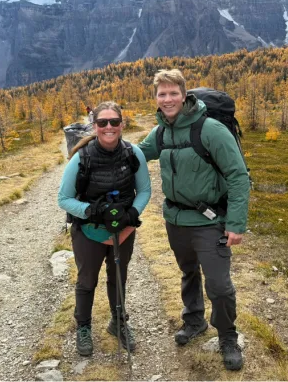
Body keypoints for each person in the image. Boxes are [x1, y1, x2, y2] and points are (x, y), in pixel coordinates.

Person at [138, 69, 250, 371]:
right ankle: (195, 321)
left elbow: (238, 175)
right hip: (175, 219)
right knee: (188, 272)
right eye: (162, 94)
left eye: (173, 93)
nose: (167, 99)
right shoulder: (160, 131)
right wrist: (101, 146)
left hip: (209, 220)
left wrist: (236, 223)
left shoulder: (210, 129)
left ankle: (227, 337)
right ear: (156, 98)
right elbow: (138, 154)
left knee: (219, 284)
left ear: (184, 94)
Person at [58, 101, 151, 356]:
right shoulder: (82, 157)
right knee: (87, 280)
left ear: (122, 124)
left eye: (114, 122)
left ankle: (118, 323)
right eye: (102, 122)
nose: (109, 127)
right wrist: (93, 211)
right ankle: (84, 327)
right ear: (95, 125)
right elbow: (63, 199)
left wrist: (131, 214)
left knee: (118, 277)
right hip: (88, 231)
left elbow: (144, 191)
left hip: (124, 230)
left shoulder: (134, 154)